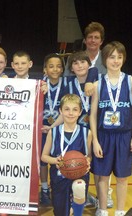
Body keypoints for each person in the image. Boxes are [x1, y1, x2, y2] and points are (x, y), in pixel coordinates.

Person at [90, 41, 132, 216]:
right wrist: (95, 140)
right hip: (104, 136)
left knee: (122, 177)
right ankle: (103, 210)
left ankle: (120, 211)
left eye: (119, 57)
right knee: (103, 177)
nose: (116, 60)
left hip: (124, 135)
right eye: (112, 57)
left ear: (124, 59)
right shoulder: (98, 85)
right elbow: (93, 114)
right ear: (105, 59)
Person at [41, 94, 92, 216]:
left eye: (75, 110)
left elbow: (89, 155)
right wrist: (56, 161)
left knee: (78, 189)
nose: (71, 113)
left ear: (80, 112)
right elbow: (43, 156)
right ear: (61, 111)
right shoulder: (53, 132)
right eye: (67, 109)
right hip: (59, 176)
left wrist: (88, 161)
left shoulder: (86, 133)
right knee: (61, 212)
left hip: (79, 174)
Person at [40, 53, 70, 205]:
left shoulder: (67, 83)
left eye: (59, 66)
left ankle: (59, 187)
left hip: (59, 129)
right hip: (41, 129)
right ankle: (44, 189)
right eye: (51, 66)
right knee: (43, 161)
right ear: (45, 69)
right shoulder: (39, 84)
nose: (55, 69)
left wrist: (52, 127)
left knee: (59, 159)